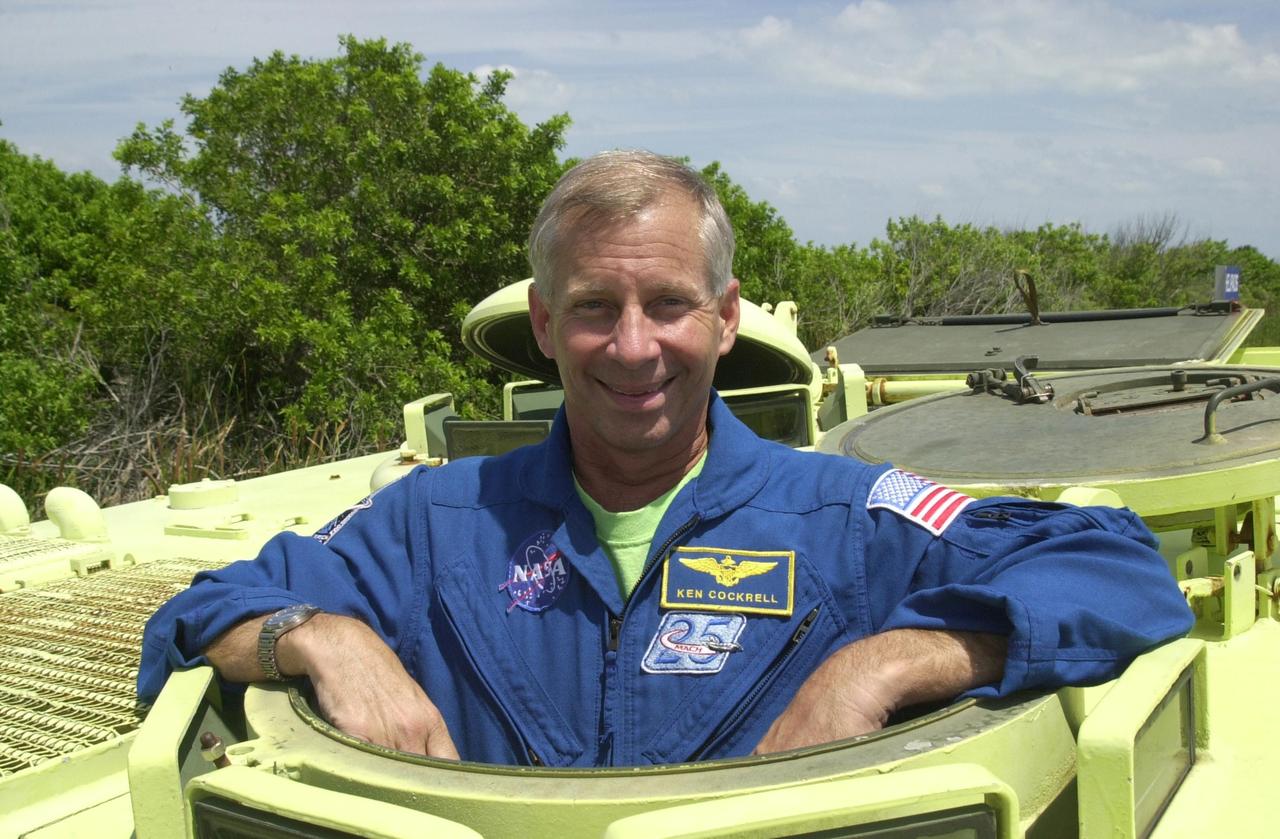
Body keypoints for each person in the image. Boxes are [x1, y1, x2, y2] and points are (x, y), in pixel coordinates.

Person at [138, 150, 1193, 766]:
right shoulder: (432, 519)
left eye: (669, 304)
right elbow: (202, 608)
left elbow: (1114, 567)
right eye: (595, 307)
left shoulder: (845, 509)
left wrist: (886, 656)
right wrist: (316, 634)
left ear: (725, 318)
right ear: (546, 324)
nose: (634, 346)